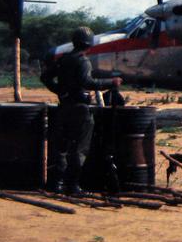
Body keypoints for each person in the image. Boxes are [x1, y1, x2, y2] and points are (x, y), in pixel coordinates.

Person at [40, 26, 122, 195]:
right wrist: (110, 83)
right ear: (89, 44)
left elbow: (45, 77)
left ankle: (57, 184)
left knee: (61, 147)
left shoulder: (64, 59)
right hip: (80, 109)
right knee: (79, 148)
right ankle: (73, 186)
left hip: (64, 106)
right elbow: (87, 82)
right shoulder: (83, 61)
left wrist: (60, 91)